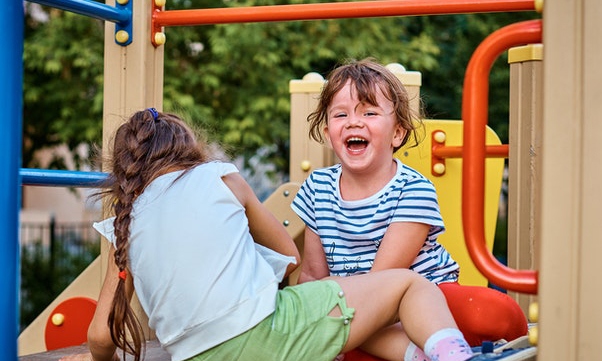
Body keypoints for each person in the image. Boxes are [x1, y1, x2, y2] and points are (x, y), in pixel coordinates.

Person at [59, 108, 481, 361]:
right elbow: (288, 255)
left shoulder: (126, 219)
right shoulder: (219, 177)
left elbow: (100, 336)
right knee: (410, 285)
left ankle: (416, 355)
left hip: (195, 355)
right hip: (268, 333)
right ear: (188, 149)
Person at [291, 58, 529, 361]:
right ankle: (431, 354)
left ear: (397, 134)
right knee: (318, 324)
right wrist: (313, 318)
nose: (353, 121)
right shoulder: (318, 187)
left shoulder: (412, 189)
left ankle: (443, 346)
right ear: (328, 133)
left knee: (489, 311)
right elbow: (313, 276)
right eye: (341, 114)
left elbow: (385, 281)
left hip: (425, 302)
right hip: (359, 312)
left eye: (370, 112)